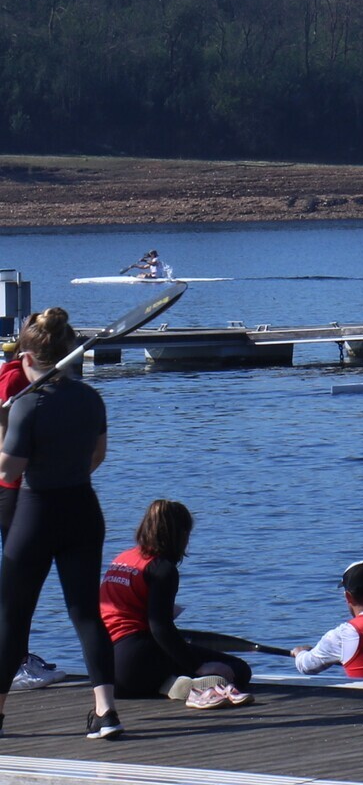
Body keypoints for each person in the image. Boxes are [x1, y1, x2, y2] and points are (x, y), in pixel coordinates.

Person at [0, 308, 121, 740]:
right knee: (87, 615)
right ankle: (105, 712)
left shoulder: (27, 405)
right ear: (69, 351)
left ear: (27, 358)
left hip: (36, 513)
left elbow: (9, 472)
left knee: (13, 617)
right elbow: (96, 457)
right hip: (83, 510)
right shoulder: (91, 398)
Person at [101, 500, 253, 708]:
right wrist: (199, 665)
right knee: (238, 668)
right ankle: (197, 684)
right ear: (179, 534)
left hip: (105, 672)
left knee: (176, 653)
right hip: (134, 663)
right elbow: (160, 628)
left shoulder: (122, 559)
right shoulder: (161, 569)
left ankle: (176, 685)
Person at [0, 342, 60, 695]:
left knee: (20, 579)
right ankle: (17, 662)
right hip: (12, 489)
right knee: (18, 581)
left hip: (18, 488)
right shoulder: (12, 384)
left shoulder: (15, 380)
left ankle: (18, 656)